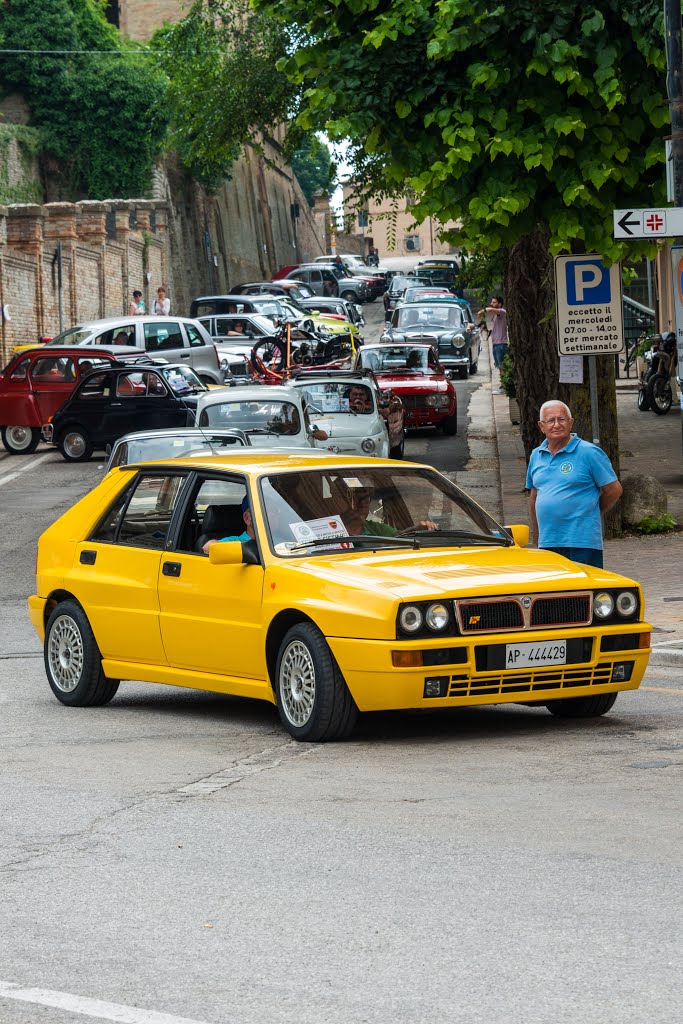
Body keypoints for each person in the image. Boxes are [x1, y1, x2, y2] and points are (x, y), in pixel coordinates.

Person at [526, 400, 623, 569]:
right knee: (552, 593)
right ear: (542, 426)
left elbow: (614, 490)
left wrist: (592, 509)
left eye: (561, 419)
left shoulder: (589, 452)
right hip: (548, 543)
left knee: (582, 592)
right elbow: (534, 497)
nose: (557, 425)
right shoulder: (536, 455)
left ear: (571, 423)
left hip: (581, 543)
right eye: (551, 421)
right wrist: (537, 536)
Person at [341, 487, 439, 537]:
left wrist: (418, 529)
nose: (361, 505)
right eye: (356, 500)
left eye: (366, 501)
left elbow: (399, 537)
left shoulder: (375, 528)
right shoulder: (329, 528)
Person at [477, 295, 507, 383]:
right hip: (495, 344)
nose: (491, 304)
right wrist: (485, 329)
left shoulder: (502, 312)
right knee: (499, 366)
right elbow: (494, 329)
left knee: (502, 367)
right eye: (492, 302)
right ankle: (503, 384)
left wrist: (482, 311)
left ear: (500, 304)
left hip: (501, 344)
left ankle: (504, 386)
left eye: (494, 302)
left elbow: (490, 309)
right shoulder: (495, 316)